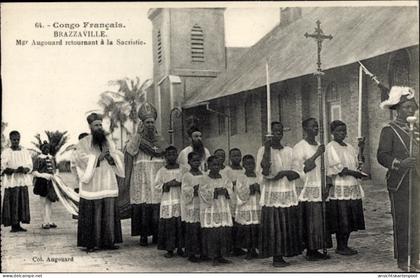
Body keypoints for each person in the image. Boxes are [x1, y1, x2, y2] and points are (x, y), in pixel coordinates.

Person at [377, 86, 419, 271]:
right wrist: (399, 163)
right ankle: (403, 260)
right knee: (403, 221)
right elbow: (382, 155)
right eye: (406, 107)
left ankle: (415, 258)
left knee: (417, 221)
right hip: (400, 182)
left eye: (413, 107)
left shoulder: (416, 129)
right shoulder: (389, 130)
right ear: (397, 109)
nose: (410, 111)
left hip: (417, 180)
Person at [73, 113, 124, 252]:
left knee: (108, 212)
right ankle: (91, 243)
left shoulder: (108, 141)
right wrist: (97, 158)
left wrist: (112, 158)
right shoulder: (83, 142)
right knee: (92, 213)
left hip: (107, 181)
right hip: (92, 183)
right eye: (96, 125)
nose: (99, 127)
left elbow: (117, 155)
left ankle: (109, 241)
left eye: (100, 124)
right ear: (90, 126)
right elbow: (80, 159)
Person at [257, 122, 303, 267]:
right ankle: (276, 256)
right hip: (272, 194)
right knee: (275, 225)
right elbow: (263, 173)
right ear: (269, 134)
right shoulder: (263, 150)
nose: (278, 134)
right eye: (275, 131)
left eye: (280, 131)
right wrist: (266, 149)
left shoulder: (289, 150)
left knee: (286, 224)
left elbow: (298, 172)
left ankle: (285, 252)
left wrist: (286, 173)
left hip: (287, 192)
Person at [125, 102, 167, 246]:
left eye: (152, 122)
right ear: (142, 124)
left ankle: (156, 235)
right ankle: (143, 236)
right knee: (143, 204)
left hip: (155, 176)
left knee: (156, 205)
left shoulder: (160, 139)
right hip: (141, 177)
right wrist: (137, 135)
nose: (150, 125)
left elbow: (164, 152)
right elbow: (130, 152)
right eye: (147, 122)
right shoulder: (136, 139)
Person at [292, 118, 332, 261]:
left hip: (321, 187)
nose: (316, 129)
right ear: (305, 128)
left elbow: (327, 168)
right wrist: (316, 155)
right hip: (309, 188)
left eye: (317, 126)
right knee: (311, 220)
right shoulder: (300, 147)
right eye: (313, 126)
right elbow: (302, 169)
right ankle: (310, 250)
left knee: (321, 220)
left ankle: (319, 247)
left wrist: (327, 185)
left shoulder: (321, 146)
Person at [325, 120, 366, 256]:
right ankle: (340, 245)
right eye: (339, 131)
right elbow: (340, 170)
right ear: (332, 133)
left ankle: (345, 244)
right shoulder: (331, 147)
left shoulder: (349, 147)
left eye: (344, 130)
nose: (342, 133)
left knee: (349, 217)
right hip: (340, 187)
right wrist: (355, 173)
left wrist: (361, 148)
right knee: (342, 217)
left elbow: (358, 163)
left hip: (352, 185)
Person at [199, 156, 234, 266]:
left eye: (218, 165)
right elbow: (203, 192)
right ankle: (213, 256)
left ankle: (221, 255)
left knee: (222, 232)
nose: (216, 167)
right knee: (212, 233)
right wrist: (214, 191)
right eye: (213, 165)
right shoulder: (204, 178)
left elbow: (230, 188)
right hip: (211, 209)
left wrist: (226, 191)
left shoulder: (224, 178)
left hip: (222, 207)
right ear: (208, 166)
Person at [155, 146, 184, 258]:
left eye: (173, 154)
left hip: (180, 200)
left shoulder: (183, 169)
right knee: (169, 225)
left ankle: (181, 248)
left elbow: (187, 182)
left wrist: (179, 183)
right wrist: (166, 184)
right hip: (167, 201)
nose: (171, 156)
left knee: (180, 223)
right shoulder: (162, 171)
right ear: (165, 157)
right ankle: (169, 249)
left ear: (177, 156)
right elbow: (156, 186)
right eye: (169, 155)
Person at [1, 131, 32, 232]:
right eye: (14, 139)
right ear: (10, 139)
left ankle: (18, 224)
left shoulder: (25, 151)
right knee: (13, 202)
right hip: (12, 181)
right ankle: (13, 225)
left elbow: (29, 165)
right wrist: (14, 170)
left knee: (21, 202)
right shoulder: (6, 152)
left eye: (18, 139)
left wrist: (25, 169)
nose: (16, 141)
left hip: (22, 180)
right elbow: (3, 166)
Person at [235, 154, 260, 260]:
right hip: (247, 205)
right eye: (247, 164)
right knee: (248, 228)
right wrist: (250, 188)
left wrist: (259, 188)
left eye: (252, 163)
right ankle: (249, 250)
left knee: (256, 227)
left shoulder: (258, 175)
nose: (250, 166)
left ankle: (255, 249)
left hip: (257, 205)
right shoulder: (241, 177)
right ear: (244, 165)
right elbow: (239, 191)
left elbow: (264, 187)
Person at [181, 151, 204, 262]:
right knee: (193, 229)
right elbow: (185, 190)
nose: (196, 162)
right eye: (194, 160)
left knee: (202, 228)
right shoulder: (187, 176)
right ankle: (192, 253)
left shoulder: (204, 174)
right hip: (192, 205)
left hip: (202, 204)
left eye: (198, 160)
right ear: (189, 162)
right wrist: (193, 189)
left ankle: (203, 252)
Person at [224, 148, 246, 256]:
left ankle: (239, 246)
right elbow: (226, 183)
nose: (236, 157)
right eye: (234, 156)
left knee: (240, 222)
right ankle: (231, 246)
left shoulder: (244, 170)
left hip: (242, 198)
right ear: (230, 158)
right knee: (232, 221)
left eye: (238, 155)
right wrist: (234, 184)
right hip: (232, 198)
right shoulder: (227, 170)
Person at [32, 141, 59, 229]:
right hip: (42, 182)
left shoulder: (52, 158)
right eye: (44, 148)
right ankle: (44, 222)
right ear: (41, 149)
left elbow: (55, 169)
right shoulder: (38, 158)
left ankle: (49, 221)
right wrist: (43, 175)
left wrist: (55, 176)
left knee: (49, 202)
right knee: (43, 202)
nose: (46, 149)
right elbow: (34, 171)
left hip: (51, 182)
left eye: (48, 148)